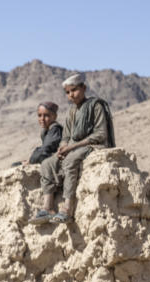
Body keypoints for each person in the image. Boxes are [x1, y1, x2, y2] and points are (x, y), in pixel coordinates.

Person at [31, 73, 115, 225]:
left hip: (93, 146)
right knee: (48, 163)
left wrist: (73, 147)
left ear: (83, 88)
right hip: (73, 147)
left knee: (70, 161)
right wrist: (63, 147)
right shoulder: (71, 111)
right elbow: (66, 136)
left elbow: (101, 134)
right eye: (68, 92)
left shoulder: (96, 106)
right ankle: (47, 207)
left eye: (74, 90)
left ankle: (67, 208)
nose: (71, 95)